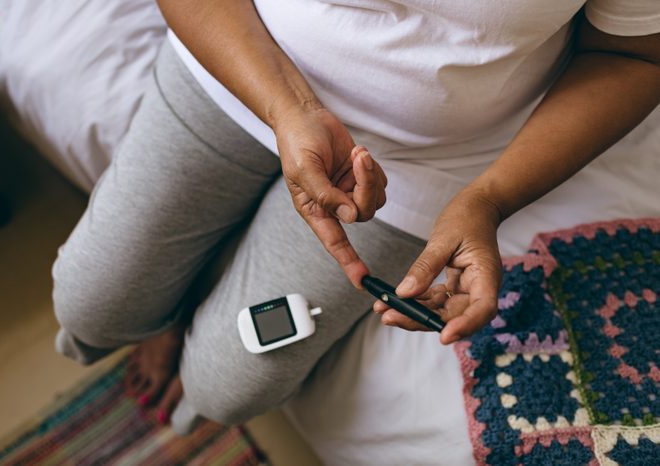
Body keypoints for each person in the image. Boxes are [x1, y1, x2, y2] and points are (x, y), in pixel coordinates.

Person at [52, 0, 660, 430]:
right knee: (91, 307)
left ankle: (179, 305)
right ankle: (166, 303)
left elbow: (634, 56)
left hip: (427, 161)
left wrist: (489, 198)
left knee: (223, 386)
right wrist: (285, 108)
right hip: (246, 62)